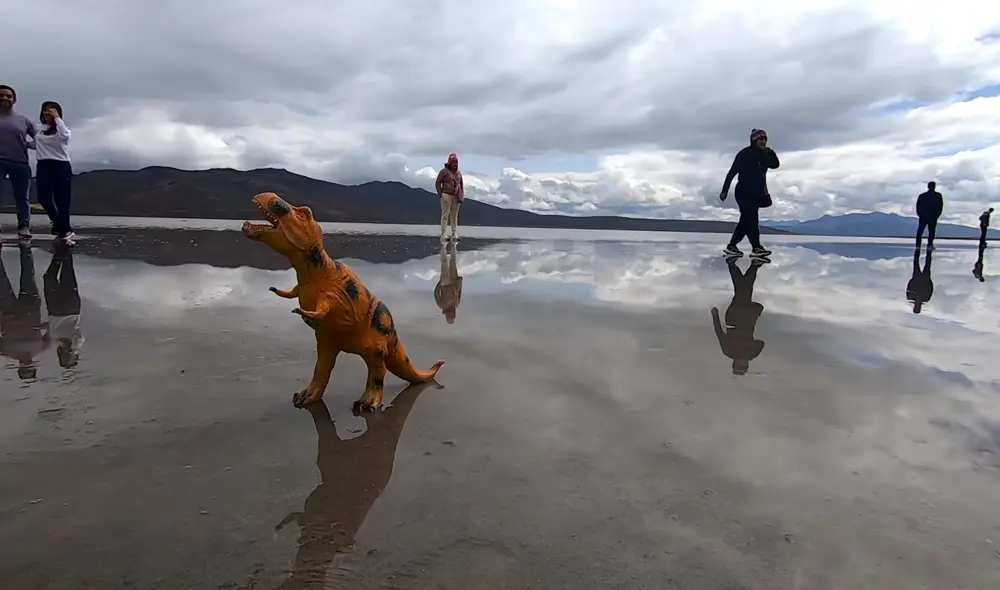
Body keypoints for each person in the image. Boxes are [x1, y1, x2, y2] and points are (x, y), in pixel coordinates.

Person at [719, 128, 779, 258]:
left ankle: (735, 246)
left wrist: (772, 153)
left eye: (765, 139)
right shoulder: (745, 154)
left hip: (756, 194)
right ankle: (755, 247)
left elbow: (775, 165)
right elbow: (732, 172)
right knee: (750, 219)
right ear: (754, 140)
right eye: (760, 139)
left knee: (748, 220)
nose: (763, 142)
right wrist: (724, 191)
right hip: (743, 192)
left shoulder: (765, 155)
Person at [0, 242, 50, 380]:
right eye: (30, 370)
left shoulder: (5, 351)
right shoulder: (42, 348)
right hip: (31, 307)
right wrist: (43, 326)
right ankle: (25, 246)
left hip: (7, 310)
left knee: (1, 280)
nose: (27, 367)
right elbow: (53, 329)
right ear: (34, 366)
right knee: (28, 274)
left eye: (24, 370)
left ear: (19, 368)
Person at [711, 257, 768, 375]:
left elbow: (719, 332)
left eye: (738, 365)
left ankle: (746, 265)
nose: (741, 362)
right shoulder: (752, 354)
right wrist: (750, 345)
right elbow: (761, 342)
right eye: (743, 365)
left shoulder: (728, 351)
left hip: (734, 318)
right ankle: (743, 265)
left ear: (734, 363)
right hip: (748, 320)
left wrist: (715, 315)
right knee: (744, 289)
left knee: (742, 291)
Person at [31, 101, 76, 246]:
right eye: (45, 110)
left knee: (62, 200)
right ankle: (60, 225)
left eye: (51, 110)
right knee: (43, 197)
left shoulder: (62, 129)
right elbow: (35, 144)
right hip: (43, 165)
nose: (47, 113)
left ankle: (64, 231)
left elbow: (65, 137)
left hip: (60, 165)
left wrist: (57, 119)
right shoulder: (38, 129)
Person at [0, 85, 38, 239]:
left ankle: (24, 227)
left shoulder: (23, 120)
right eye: (1, 95)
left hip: (20, 163)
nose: (4, 98)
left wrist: (29, 144)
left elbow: (41, 139)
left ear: (14, 100)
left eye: (8, 96)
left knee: (22, 197)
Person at [44, 244, 83, 367]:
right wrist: (72, 350)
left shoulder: (54, 342)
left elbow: (50, 327)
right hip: (70, 309)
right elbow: (76, 336)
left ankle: (59, 253)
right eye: (69, 359)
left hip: (54, 309)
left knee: (49, 278)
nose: (67, 357)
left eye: (64, 359)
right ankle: (65, 248)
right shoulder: (76, 344)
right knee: (67, 273)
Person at [434, 152, 464, 242]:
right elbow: (438, 182)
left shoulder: (459, 174)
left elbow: (461, 185)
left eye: (456, 163)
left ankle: (454, 233)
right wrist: (441, 194)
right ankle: (443, 233)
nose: (455, 165)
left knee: (454, 216)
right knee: (445, 215)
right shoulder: (444, 172)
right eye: (454, 162)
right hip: (446, 194)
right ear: (450, 162)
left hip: (456, 196)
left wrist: (461, 195)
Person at [433, 240, 463, 324]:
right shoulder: (456, 304)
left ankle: (443, 247)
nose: (453, 314)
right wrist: (460, 282)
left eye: (451, 316)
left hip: (445, 282)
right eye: (453, 316)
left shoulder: (442, 305)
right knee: (453, 262)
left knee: (444, 262)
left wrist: (440, 283)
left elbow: (436, 293)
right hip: (454, 281)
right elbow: (459, 292)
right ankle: (453, 246)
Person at [915, 181, 944, 250]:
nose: (932, 187)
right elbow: (918, 206)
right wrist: (920, 215)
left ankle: (929, 245)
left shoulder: (938, 196)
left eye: (933, 186)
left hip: (932, 217)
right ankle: (918, 245)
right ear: (928, 186)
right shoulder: (922, 196)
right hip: (924, 216)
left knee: (931, 232)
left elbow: (940, 206)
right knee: (920, 231)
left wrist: (936, 215)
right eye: (931, 186)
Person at [905, 248, 933, 314]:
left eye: (916, 308)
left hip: (917, 278)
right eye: (918, 308)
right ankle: (927, 247)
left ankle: (918, 248)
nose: (917, 307)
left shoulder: (910, 297)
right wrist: (929, 280)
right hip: (924, 279)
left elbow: (908, 287)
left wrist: (912, 280)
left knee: (917, 262)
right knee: (926, 262)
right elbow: (930, 289)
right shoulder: (925, 299)